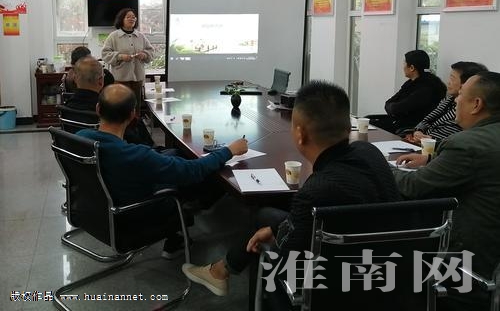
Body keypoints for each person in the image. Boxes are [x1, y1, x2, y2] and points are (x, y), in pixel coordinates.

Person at [182, 80, 400, 297]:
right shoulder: (368, 151)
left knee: (263, 228)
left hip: (332, 285)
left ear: (300, 134)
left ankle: (226, 275)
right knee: (267, 217)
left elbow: (286, 260)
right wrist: (280, 228)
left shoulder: (315, 192)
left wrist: (281, 234)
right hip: (392, 269)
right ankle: (221, 270)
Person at [77, 83, 248, 258]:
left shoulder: (80, 139)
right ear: (132, 114)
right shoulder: (136, 156)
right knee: (204, 174)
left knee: (174, 154)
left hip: (94, 211)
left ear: (98, 109)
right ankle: (183, 228)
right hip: (132, 216)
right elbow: (192, 171)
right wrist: (229, 151)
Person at [392, 71, 500, 311]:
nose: (456, 100)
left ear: (476, 104)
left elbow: (413, 187)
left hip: (471, 266)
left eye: (460, 95)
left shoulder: (467, 144)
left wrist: (380, 167)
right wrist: (431, 160)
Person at [66, 56, 154, 147]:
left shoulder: (66, 107)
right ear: (100, 81)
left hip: (75, 152)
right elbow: (144, 146)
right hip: (116, 153)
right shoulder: (110, 109)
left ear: (75, 79)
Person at [404, 61, 488, 147]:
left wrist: (432, 140)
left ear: (467, 84)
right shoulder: (448, 99)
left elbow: (458, 140)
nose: (448, 82)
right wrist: (418, 131)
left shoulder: (467, 112)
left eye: (452, 79)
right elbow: (428, 119)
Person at [101, 8, 153, 113]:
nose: (131, 19)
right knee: (121, 107)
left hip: (137, 78)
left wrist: (144, 55)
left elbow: (151, 51)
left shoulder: (141, 36)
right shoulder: (114, 36)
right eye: (128, 17)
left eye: (133, 17)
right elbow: (105, 54)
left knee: (135, 107)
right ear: (122, 19)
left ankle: (135, 122)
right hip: (120, 79)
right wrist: (120, 57)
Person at [383, 49, 446, 134]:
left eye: (404, 64)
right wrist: (393, 108)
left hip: (411, 129)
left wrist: (393, 108)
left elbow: (398, 108)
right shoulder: (410, 83)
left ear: (412, 68)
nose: (403, 67)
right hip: (399, 123)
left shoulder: (428, 87)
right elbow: (389, 103)